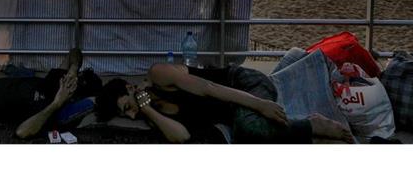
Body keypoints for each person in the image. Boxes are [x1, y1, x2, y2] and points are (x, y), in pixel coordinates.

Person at [95, 62, 354, 144]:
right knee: (245, 134)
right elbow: (182, 137)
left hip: (242, 84)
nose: (131, 116)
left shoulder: (159, 75)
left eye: (127, 107)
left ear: (131, 88)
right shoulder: (150, 114)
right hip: (234, 111)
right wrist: (146, 109)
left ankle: (314, 125)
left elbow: (211, 88)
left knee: (249, 130)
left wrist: (258, 104)